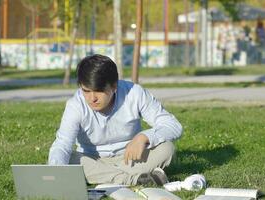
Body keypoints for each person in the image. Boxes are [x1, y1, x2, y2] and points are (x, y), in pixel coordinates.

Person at [48, 54, 183, 186]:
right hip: (91, 160)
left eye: (99, 91)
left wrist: (144, 137)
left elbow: (173, 126)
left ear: (114, 86)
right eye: (86, 91)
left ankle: (106, 177)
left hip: (130, 158)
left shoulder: (135, 93)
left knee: (166, 149)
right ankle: (134, 179)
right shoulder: (75, 105)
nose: (92, 98)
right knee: (70, 159)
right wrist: (55, 173)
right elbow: (63, 143)